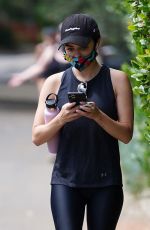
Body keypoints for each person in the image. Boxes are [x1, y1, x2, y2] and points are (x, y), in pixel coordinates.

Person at [32, 14, 134, 230]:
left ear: (97, 43)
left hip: (106, 181)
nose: (76, 54)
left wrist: (99, 116)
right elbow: (37, 137)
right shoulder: (54, 82)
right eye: (69, 48)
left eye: (82, 47)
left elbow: (126, 135)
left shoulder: (117, 79)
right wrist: (61, 118)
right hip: (66, 181)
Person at [8, 26, 70, 93]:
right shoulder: (48, 48)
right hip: (49, 81)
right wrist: (22, 76)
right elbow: (40, 65)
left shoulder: (73, 52)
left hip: (67, 85)